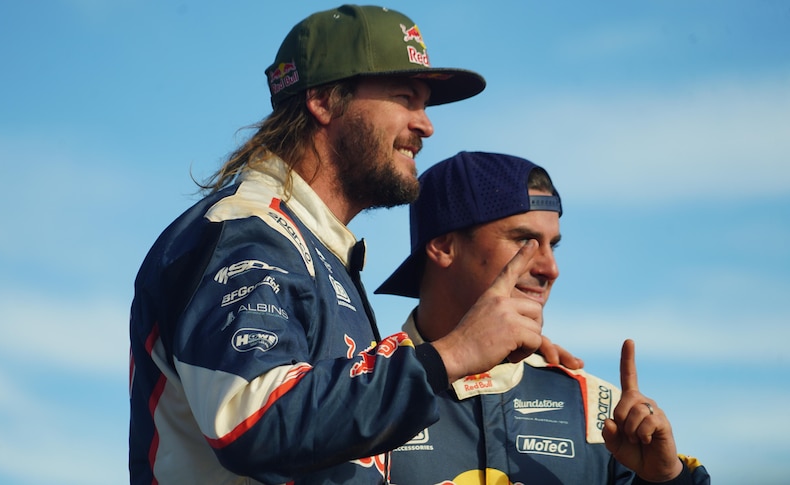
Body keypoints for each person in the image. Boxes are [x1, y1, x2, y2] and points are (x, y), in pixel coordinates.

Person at [128, 5, 579, 484]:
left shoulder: (314, 245)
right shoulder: (248, 230)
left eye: (425, 105)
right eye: (405, 97)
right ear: (323, 101)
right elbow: (253, 419)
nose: (426, 125)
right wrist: (454, 353)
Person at [375, 151, 711, 484]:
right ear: (445, 247)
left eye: (553, 245)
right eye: (525, 241)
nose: (551, 269)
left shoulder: (600, 411)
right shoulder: (361, 392)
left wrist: (667, 480)